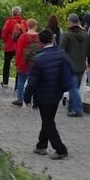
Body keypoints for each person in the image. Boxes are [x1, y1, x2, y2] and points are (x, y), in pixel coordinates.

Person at [23, 29, 72, 160]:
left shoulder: (38, 60)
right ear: (52, 39)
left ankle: (61, 149)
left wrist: (26, 97)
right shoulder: (62, 55)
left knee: (48, 122)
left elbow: (32, 82)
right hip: (57, 93)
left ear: (39, 42)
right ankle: (41, 145)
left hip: (43, 95)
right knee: (48, 119)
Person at [60, 13, 90, 117]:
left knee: (73, 88)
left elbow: (61, 51)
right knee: (75, 88)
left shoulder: (66, 35)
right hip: (81, 66)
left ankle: (78, 109)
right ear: (78, 22)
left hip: (69, 66)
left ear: (69, 22)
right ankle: (71, 108)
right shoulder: (86, 35)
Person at [13, 18, 41, 106]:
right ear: (35, 26)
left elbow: (19, 51)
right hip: (36, 63)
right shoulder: (39, 37)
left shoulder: (23, 37)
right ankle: (32, 100)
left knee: (21, 81)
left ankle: (20, 99)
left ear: (27, 26)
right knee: (33, 82)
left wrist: (17, 63)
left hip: (24, 62)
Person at [1, 7, 27, 88]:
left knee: (7, 64)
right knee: (19, 66)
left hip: (9, 46)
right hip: (20, 47)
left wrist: (6, 42)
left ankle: (5, 82)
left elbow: (4, 34)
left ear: (12, 13)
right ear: (20, 13)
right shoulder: (24, 23)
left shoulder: (8, 22)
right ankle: (17, 85)